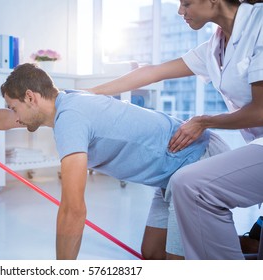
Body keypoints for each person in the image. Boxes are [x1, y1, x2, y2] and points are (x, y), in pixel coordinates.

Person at [0, 63, 229, 260]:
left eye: (14, 106)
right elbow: (3, 119)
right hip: (170, 176)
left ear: (31, 97)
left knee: (177, 264)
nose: (13, 115)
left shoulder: (70, 120)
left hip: (195, 164)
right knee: (152, 255)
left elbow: (73, 208)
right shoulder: (64, 102)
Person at [87, 0, 263, 259]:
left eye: (186, 3)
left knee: (191, 183)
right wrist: (86, 94)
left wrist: (204, 121)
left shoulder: (258, 23)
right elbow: (153, 73)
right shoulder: (214, 47)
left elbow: (260, 110)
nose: (181, 11)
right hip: (256, 145)